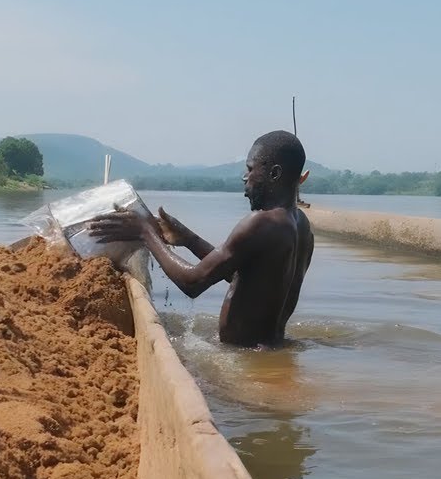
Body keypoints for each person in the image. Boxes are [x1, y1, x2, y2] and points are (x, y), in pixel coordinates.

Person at [87, 130, 314, 348]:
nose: (245, 177)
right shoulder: (302, 227)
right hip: (272, 349)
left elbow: (192, 282)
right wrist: (188, 238)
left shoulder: (261, 223)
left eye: (250, 169)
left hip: (244, 356)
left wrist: (144, 232)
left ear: (274, 174)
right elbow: (240, 276)